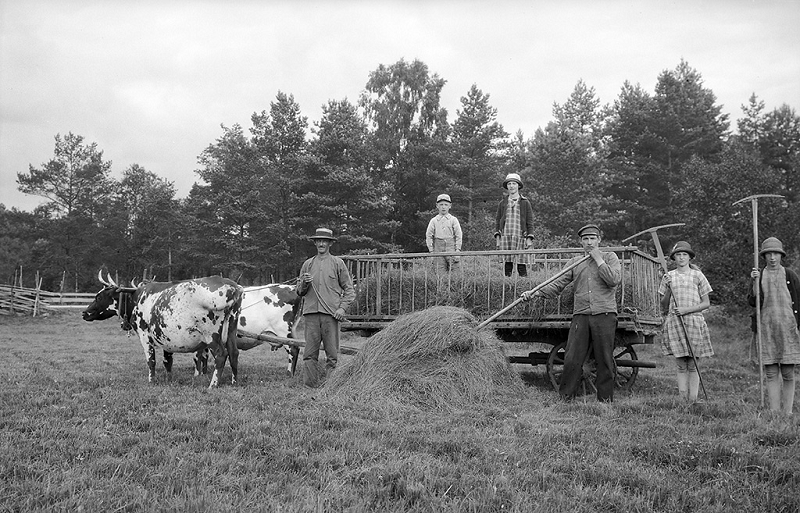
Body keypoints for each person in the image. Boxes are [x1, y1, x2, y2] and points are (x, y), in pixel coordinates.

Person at [521, 224, 621, 402]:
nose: (589, 242)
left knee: (604, 358)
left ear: (599, 240)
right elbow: (557, 285)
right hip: (581, 314)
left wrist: (599, 260)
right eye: (585, 239)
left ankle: (605, 400)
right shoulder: (575, 262)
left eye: (592, 238)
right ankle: (566, 397)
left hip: (604, 313)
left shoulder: (610, 257)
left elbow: (613, 280)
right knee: (572, 356)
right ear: (581, 242)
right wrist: (536, 292)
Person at [295, 227, 356, 387]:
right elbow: (299, 292)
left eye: (325, 241)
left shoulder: (338, 263)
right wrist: (304, 283)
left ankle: (330, 387)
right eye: (319, 241)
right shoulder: (307, 265)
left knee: (332, 355)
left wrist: (342, 309)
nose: (321, 244)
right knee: (309, 354)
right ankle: (309, 387)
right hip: (311, 316)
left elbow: (349, 289)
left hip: (331, 316)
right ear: (315, 243)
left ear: (330, 244)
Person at [748, 237, 800, 414]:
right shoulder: (759, 275)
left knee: (787, 373)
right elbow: (752, 301)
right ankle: (774, 411)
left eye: (775, 254)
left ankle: (788, 412)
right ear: (763, 256)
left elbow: (798, 301)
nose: (772, 257)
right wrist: (754, 283)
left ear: (781, 255)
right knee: (770, 373)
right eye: (768, 254)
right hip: (766, 329)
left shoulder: (790, 275)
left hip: (787, 328)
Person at [658, 241, 713, 404]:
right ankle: (683, 400)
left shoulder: (698, 276)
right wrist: (668, 288)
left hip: (694, 322)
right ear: (674, 258)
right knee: (681, 363)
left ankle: (693, 399)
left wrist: (686, 310)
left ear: (689, 257)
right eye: (678, 255)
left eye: (684, 255)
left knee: (693, 363)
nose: (681, 258)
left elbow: (706, 303)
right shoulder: (669, 276)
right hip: (675, 323)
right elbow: (663, 303)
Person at [494, 173, 535, 277]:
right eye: (509, 184)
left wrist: (529, 237)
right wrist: (498, 238)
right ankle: (507, 286)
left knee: (521, 265)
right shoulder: (502, 203)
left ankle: (523, 287)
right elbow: (498, 220)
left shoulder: (525, 202)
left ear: (518, 186)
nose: (511, 186)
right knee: (508, 264)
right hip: (506, 236)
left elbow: (529, 221)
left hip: (520, 236)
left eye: (514, 183)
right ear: (507, 186)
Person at [425, 193, 463, 272]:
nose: (443, 207)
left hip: (451, 249)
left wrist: (457, 250)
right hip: (438, 250)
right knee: (439, 273)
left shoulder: (453, 220)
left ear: (450, 206)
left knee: (456, 272)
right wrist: (431, 251)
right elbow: (428, 236)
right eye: (441, 204)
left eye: (446, 204)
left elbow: (458, 235)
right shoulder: (434, 221)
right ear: (437, 206)